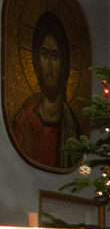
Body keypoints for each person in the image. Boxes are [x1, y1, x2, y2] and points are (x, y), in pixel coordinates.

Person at [10, 13, 85, 170]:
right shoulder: (24, 120)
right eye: (44, 55)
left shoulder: (72, 125)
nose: (50, 65)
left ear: (64, 65)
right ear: (36, 62)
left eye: (55, 56)